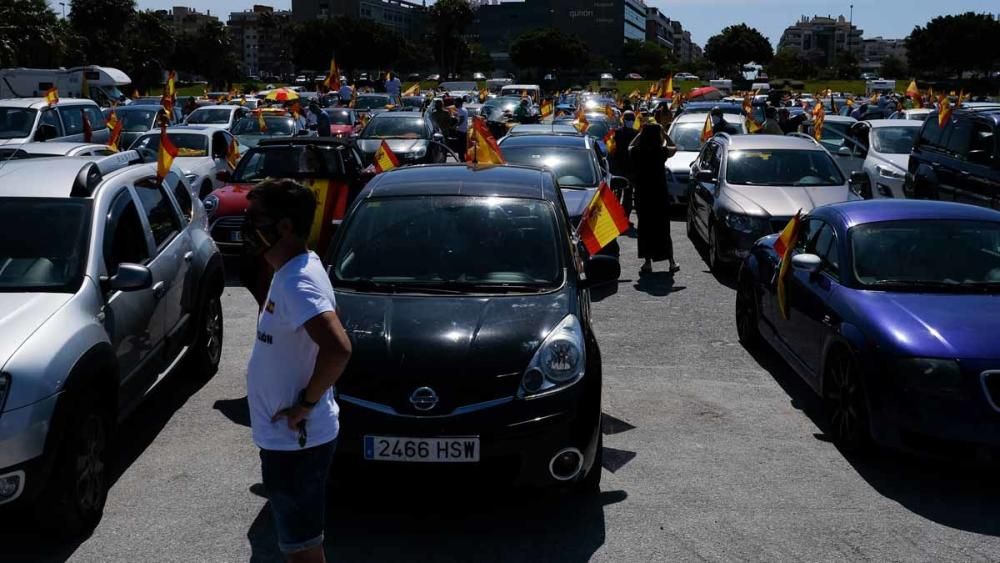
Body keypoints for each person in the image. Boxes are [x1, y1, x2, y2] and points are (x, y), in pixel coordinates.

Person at [243, 179, 352, 563]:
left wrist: (305, 404)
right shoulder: (294, 269)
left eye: (255, 219)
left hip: (295, 443)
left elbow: (338, 348)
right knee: (302, 544)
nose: (246, 227)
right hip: (288, 441)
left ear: (285, 227)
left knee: (302, 549)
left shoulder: (298, 280)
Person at [628, 124, 679, 275]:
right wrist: (665, 134)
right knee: (663, 228)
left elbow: (630, 146)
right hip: (659, 194)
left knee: (645, 229)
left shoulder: (637, 152)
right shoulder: (660, 151)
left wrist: (640, 134)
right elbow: (674, 147)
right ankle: (671, 262)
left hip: (643, 195)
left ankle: (647, 263)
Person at [612, 110, 640, 220]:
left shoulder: (636, 133)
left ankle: (622, 219)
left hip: (629, 169)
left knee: (626, 195)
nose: (630, 121)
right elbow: (611, 149)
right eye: (628, 119)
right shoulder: (616, 133)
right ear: (623, 120)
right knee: (619, 195)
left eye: (631, 119)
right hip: (621, 169)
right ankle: (620, 218)